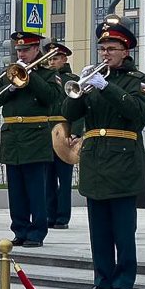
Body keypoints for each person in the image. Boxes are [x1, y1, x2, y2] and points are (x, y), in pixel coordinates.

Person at [64, 23, 145, 289]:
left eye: (111, 49)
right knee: (98, 230)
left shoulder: (137, 80)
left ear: (125, 51)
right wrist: (83, 87)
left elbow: (137, 114)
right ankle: (102, 279)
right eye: (102, 48)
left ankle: (123, 281)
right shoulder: (94, 78)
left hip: (122, 158)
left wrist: (107, 87)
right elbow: (69, 111)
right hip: (95, 160)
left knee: (123, 230)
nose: (105, 53)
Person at [0, 32, 62, 247]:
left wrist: (30, 76)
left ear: (36, 49)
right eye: (19, 50)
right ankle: (20, 229)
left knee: (36, 190)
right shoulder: (8, 73)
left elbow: (52, 98)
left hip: (35, 135)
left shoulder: (48, 73)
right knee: (17, 191)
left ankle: (37, 232)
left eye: (26, 50)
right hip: (12, 136)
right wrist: (11, 85)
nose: (21, 53)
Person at [44, 42, 79, 230]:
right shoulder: (46, 78)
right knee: (47, 178)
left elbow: (80, 107)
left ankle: (62, 217)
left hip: (65, 130)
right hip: (46, 130)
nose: (51, 62)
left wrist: (75, 132)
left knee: (64, 179)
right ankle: (49, 214)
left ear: (64, 59)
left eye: (55, 58)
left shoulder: (71, 80)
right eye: (49, 58)